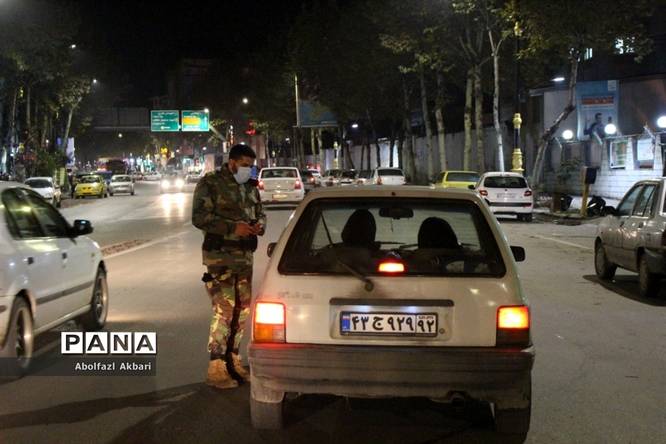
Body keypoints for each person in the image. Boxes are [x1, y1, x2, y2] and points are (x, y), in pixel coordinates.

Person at [192, 144, 266, 389]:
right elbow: (199, 217)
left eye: (251, 166)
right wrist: (234, 228)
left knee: (242, 310)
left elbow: (260, 212)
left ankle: (233, 359)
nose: (248, 170)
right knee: (224, 309)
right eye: (244, 165)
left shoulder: (249, 186)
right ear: (232, 162)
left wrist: (259, 225)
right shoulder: (211, 183)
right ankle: (216, 365)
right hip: (220, 257)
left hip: (244, 257)